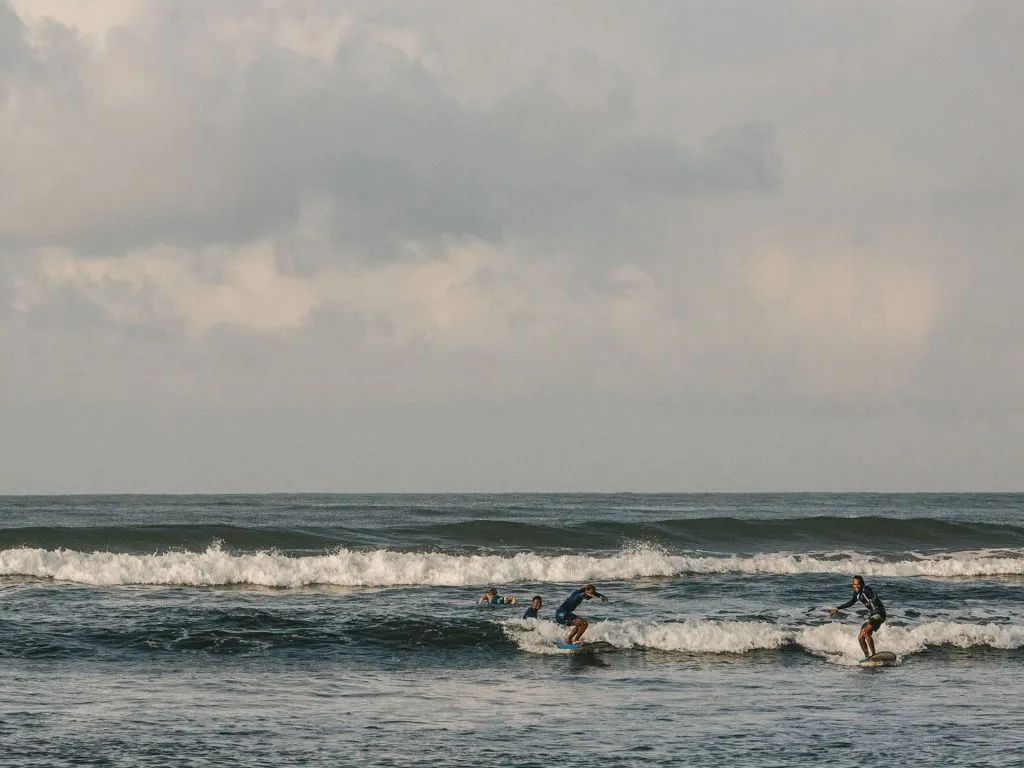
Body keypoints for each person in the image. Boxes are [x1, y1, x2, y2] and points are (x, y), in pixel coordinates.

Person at [828, 575, 886, 659]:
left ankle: (874, 655)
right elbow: (851, 602)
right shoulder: (856, 593)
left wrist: (871, 600)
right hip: (872, 614)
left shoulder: (867, 589)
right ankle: (867, 657)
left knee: (866, 632)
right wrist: (837, 608)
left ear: (862, 584)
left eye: (858, 584)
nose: (856, 586)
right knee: (860, 637)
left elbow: (874, 596)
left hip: (879, 613)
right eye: (854, 584)